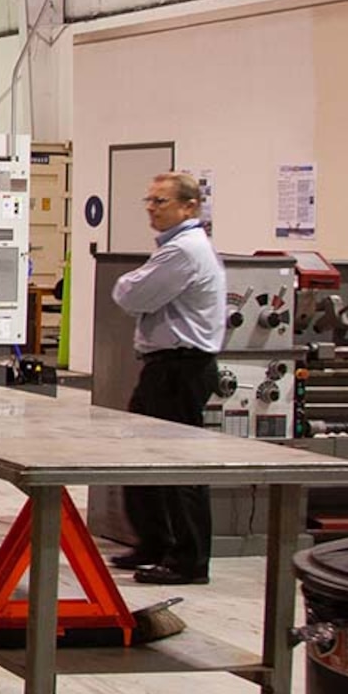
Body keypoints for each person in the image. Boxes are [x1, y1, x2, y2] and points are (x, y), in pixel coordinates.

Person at [110, 171, 226, 586]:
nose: (151, 209)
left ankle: (189, 558)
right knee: (142, 457)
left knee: (179, 463)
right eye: (149, 200)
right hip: (164, 366)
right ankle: (154, 541)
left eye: (160, 201)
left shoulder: (184, 252)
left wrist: (130, 285)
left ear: (189, 206)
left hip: (181, 368)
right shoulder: (175, 249)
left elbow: (130, 294)